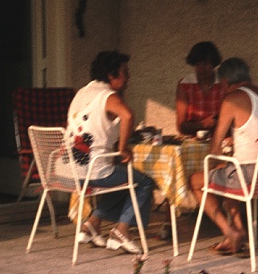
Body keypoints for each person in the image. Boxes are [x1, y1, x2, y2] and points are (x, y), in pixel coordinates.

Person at [189, 57, 258, 257]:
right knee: (226, 172)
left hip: (251, 177)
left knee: (196, 180)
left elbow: (216, 147)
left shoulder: (233, 99)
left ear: (225, 81)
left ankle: (229, 231)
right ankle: (238, 231)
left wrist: (217, 161)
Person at [66, 50, 156, 255]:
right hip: (93, 171)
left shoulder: (82, 93)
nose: (129, 76)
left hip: (70, 172)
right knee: (143, 182)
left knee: (124, 181)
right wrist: (123, 148)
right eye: (125, 72)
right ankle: (121, 230)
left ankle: (92, 223)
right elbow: (127, 115)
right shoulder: (107, 95)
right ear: (111, 74)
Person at [175, 41, 226, 136]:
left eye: (206, 64)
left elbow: (230, 120)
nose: (202, 69)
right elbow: (180, 126)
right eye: (198, 64)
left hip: (219, 138)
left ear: (214, 64)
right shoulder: (185, 84)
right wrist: (201, 125)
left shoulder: (223, 83)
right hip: (193, 140)